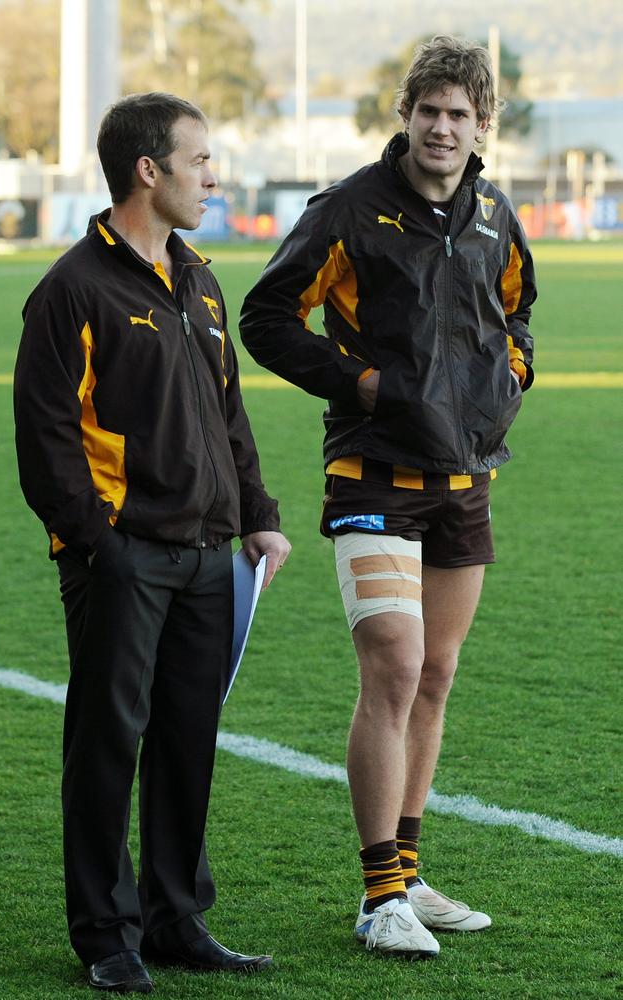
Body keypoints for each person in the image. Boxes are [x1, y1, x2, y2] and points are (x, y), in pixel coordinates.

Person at [240, 35, 535, 959]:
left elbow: (517, 312)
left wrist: (510, 380)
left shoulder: (494, 215)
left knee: (437, 677)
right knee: (395, 667)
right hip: (372, 468)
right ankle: (377, 897)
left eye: (458, 114)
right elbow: (266, 316)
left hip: (465, 477)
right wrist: (360, 386)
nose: (441, 127)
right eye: (427, 111)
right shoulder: (350, 210)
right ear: (404, 116)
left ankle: (409, 876)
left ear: (481, 125)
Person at [14, 92, 291, 993]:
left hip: (213, 556)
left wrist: (259, 513)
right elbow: (46, 440)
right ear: (149, 170)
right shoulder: (71, 291)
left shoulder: (201, 279)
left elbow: (228, 415)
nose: (214, 177)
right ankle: (105, 936)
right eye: (200, 160)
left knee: (186, 740)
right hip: (124, 560)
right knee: (107, 744)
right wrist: (100, 545)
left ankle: (176, 919)